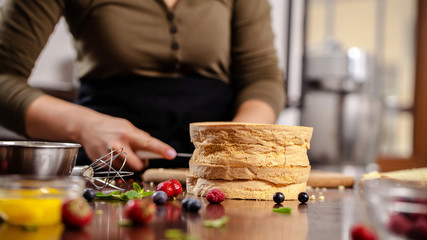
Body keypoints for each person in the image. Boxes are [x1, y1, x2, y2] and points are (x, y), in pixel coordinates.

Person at [0, 0, 285, 171]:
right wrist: (82, 126)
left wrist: (240, 141)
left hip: (219, 171)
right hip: (108, 168)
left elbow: (261, 76)